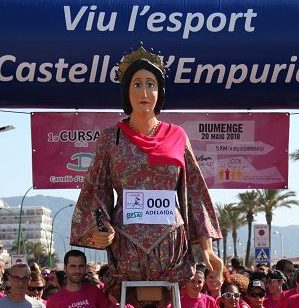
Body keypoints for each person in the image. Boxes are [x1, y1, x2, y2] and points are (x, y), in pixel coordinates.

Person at [69, 45, 222, 285]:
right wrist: (100, 227)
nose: (145, 91)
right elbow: (96, 190)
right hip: (127, 247)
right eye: (137, 84)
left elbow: (195, 191)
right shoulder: (111, 138)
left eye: (151, 84)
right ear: (127, 92)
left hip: (171, 247)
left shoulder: (177, 135)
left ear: (160, 91)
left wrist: (206, 247)